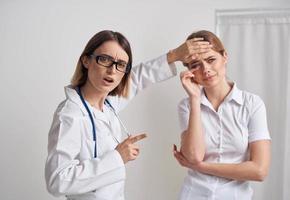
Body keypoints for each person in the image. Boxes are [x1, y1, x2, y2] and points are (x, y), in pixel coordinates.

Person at [45, 30, 211, 200]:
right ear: (86, 60)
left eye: (121, 64)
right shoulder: (70, 114)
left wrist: (175, 55)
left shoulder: (108, 104)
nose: (112, 71)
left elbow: (138, 78)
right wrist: (117, 157)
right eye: (104, 59)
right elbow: (57, 181)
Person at [173, 30, 271, 200]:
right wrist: (195, 99)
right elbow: (194, 156)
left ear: (224, 56)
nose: (206, 69)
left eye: (211, 60)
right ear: (189, 70)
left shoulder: (252, 104)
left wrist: (202, 167)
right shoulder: (186, 105)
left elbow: (259, 171)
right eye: (195, 64)